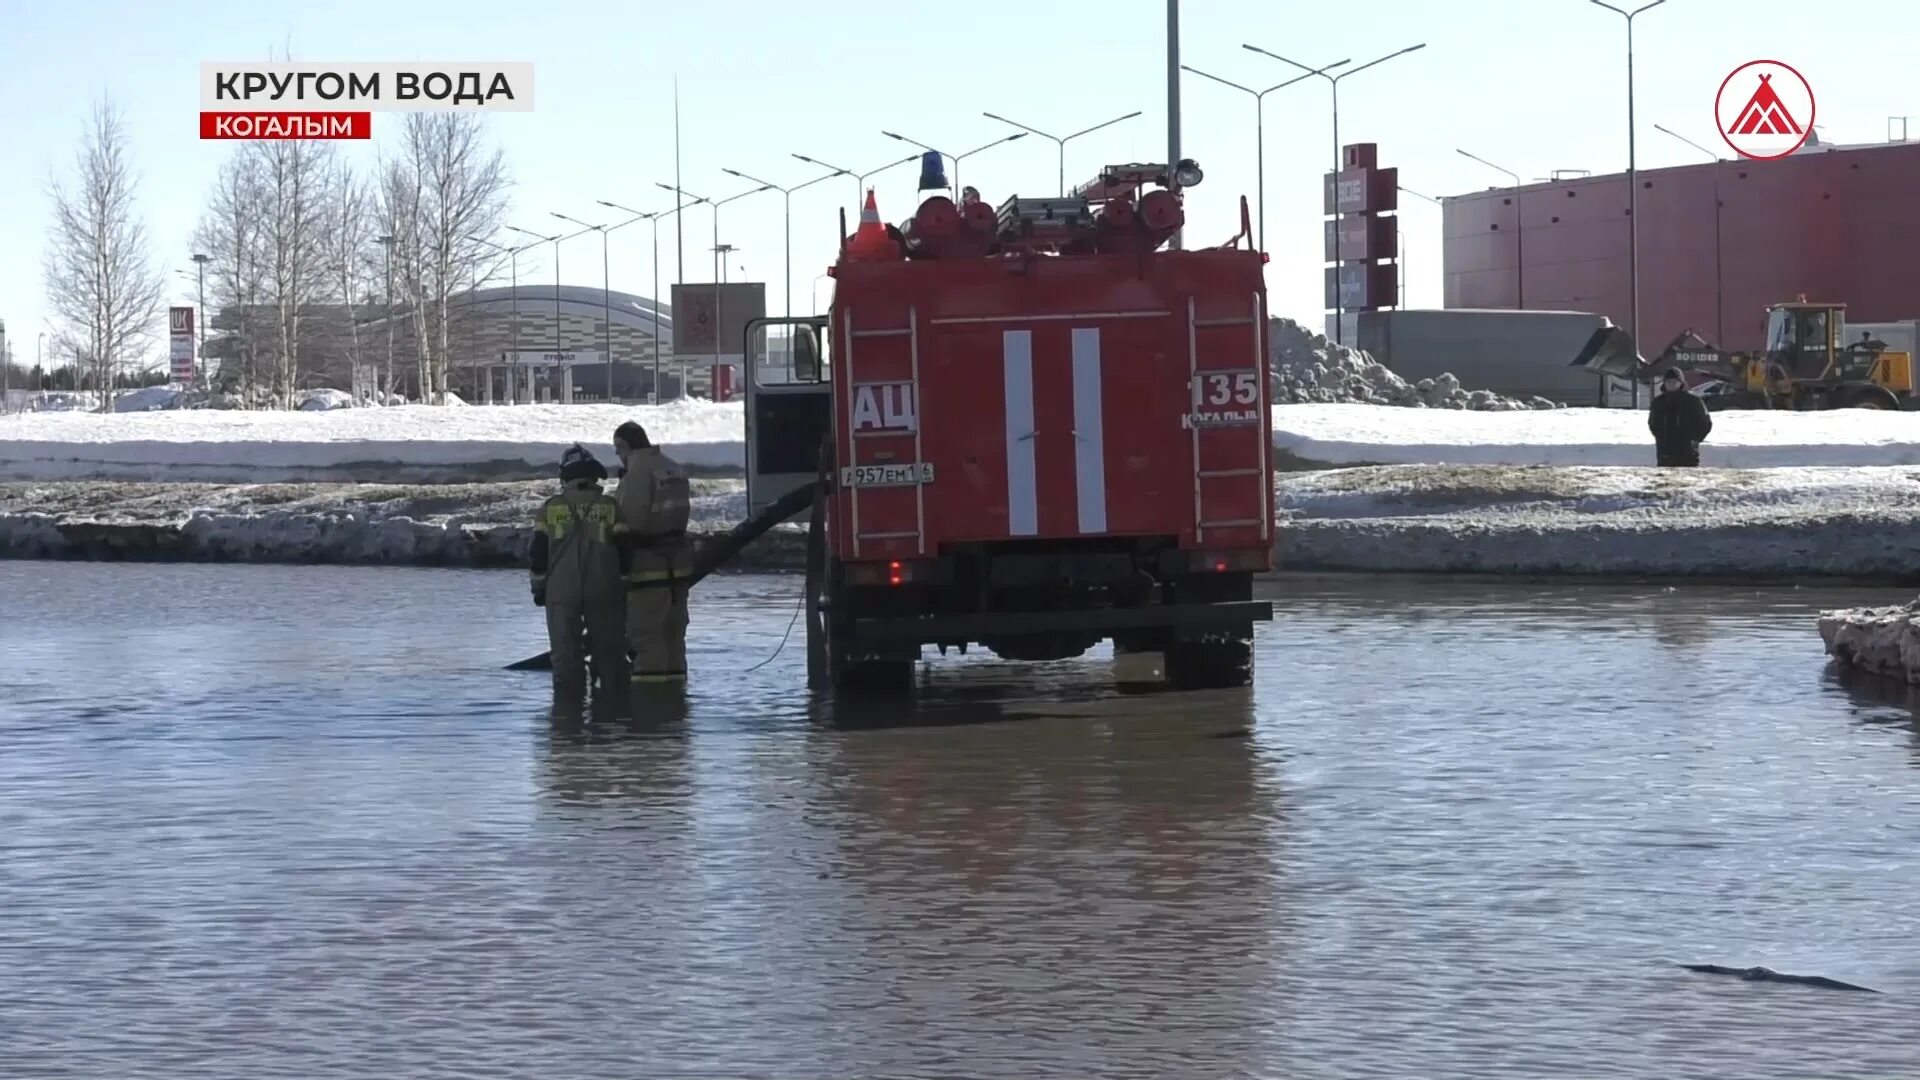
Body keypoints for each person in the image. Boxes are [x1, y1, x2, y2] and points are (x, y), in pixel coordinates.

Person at [529, 444, 628, 696]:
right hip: (604, 589)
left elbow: (537, 553)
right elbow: (627, 549)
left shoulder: (551, 508)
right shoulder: (610, 507)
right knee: (610, 656)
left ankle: (566, 720)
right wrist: (625, 586)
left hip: (561, 592)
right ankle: (612, 719)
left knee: (564, 657)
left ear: (565, 475)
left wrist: (539, 588)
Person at [612, 420, 694, 685]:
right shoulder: (672, 467)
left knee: (646, 637)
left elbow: (631, 522)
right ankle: (677, 703)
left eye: (618, 451)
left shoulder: (638, 473)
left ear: (623, 445)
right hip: (678, 566)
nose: (619, 458)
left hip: (648, 566)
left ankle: (651, 710)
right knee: (674, 635)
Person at [1648, 366, 1712, 467]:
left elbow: (1705, 423)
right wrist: (1661, 438)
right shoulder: (1659, 402)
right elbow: (1653, 424)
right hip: (1665, 455)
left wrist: (1693, 441)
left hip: (1688, 456)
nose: (1671, 385)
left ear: (1681, 383)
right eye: (1668, 382)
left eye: (1674, 382)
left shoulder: (1693, 401)